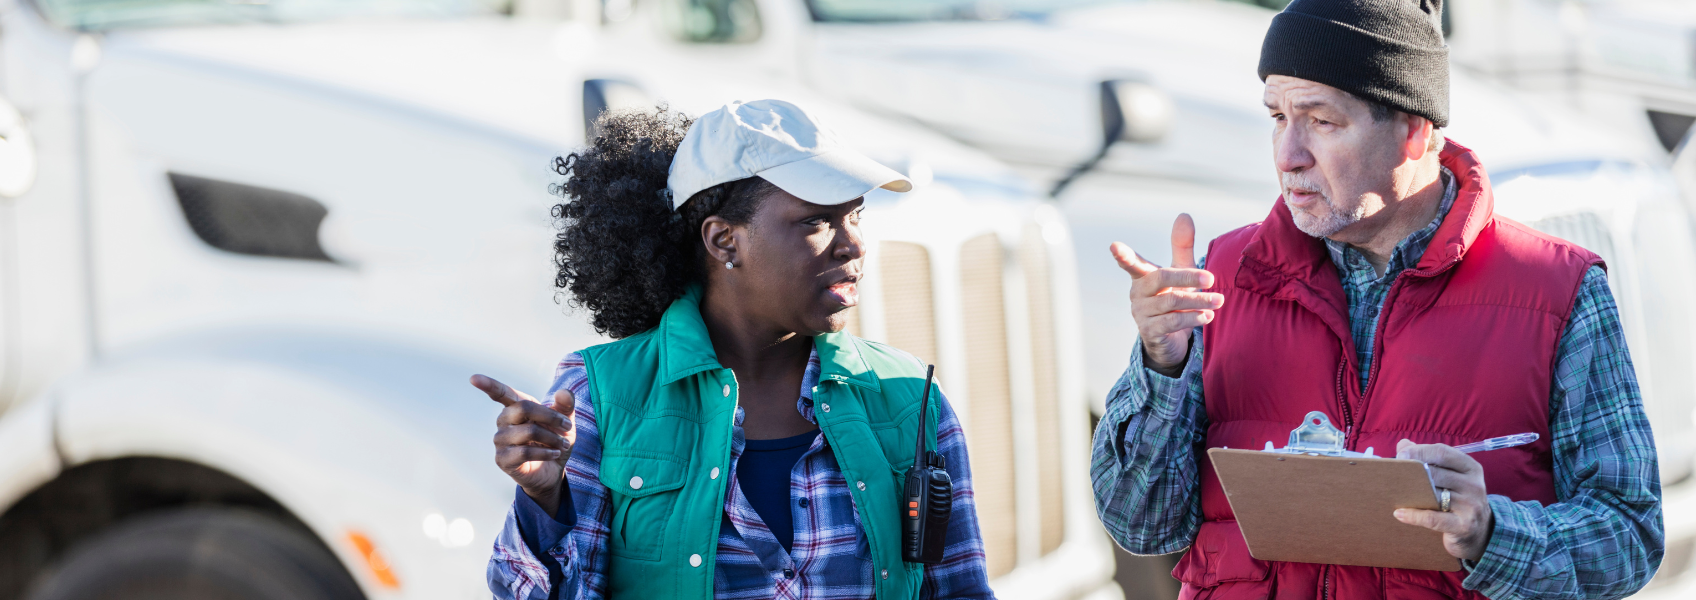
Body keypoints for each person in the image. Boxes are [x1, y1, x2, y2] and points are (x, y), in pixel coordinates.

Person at [1089, 0, 1665, 598]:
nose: (1289, 155)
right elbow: (1141, 525)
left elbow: (1631, 536)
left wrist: (1495, 532)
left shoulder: (1557, 293)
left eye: (1322, 121)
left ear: (1414, 130)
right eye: (1278, 117)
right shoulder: (1218, 279)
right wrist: (1162, 365)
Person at [474, 100, 997, 600]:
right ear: (724, 240)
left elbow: (962, 588)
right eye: (816, 221)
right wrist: (544, 501)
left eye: (855, 215)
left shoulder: (909, 398)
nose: (853, 244)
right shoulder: (598, 395)